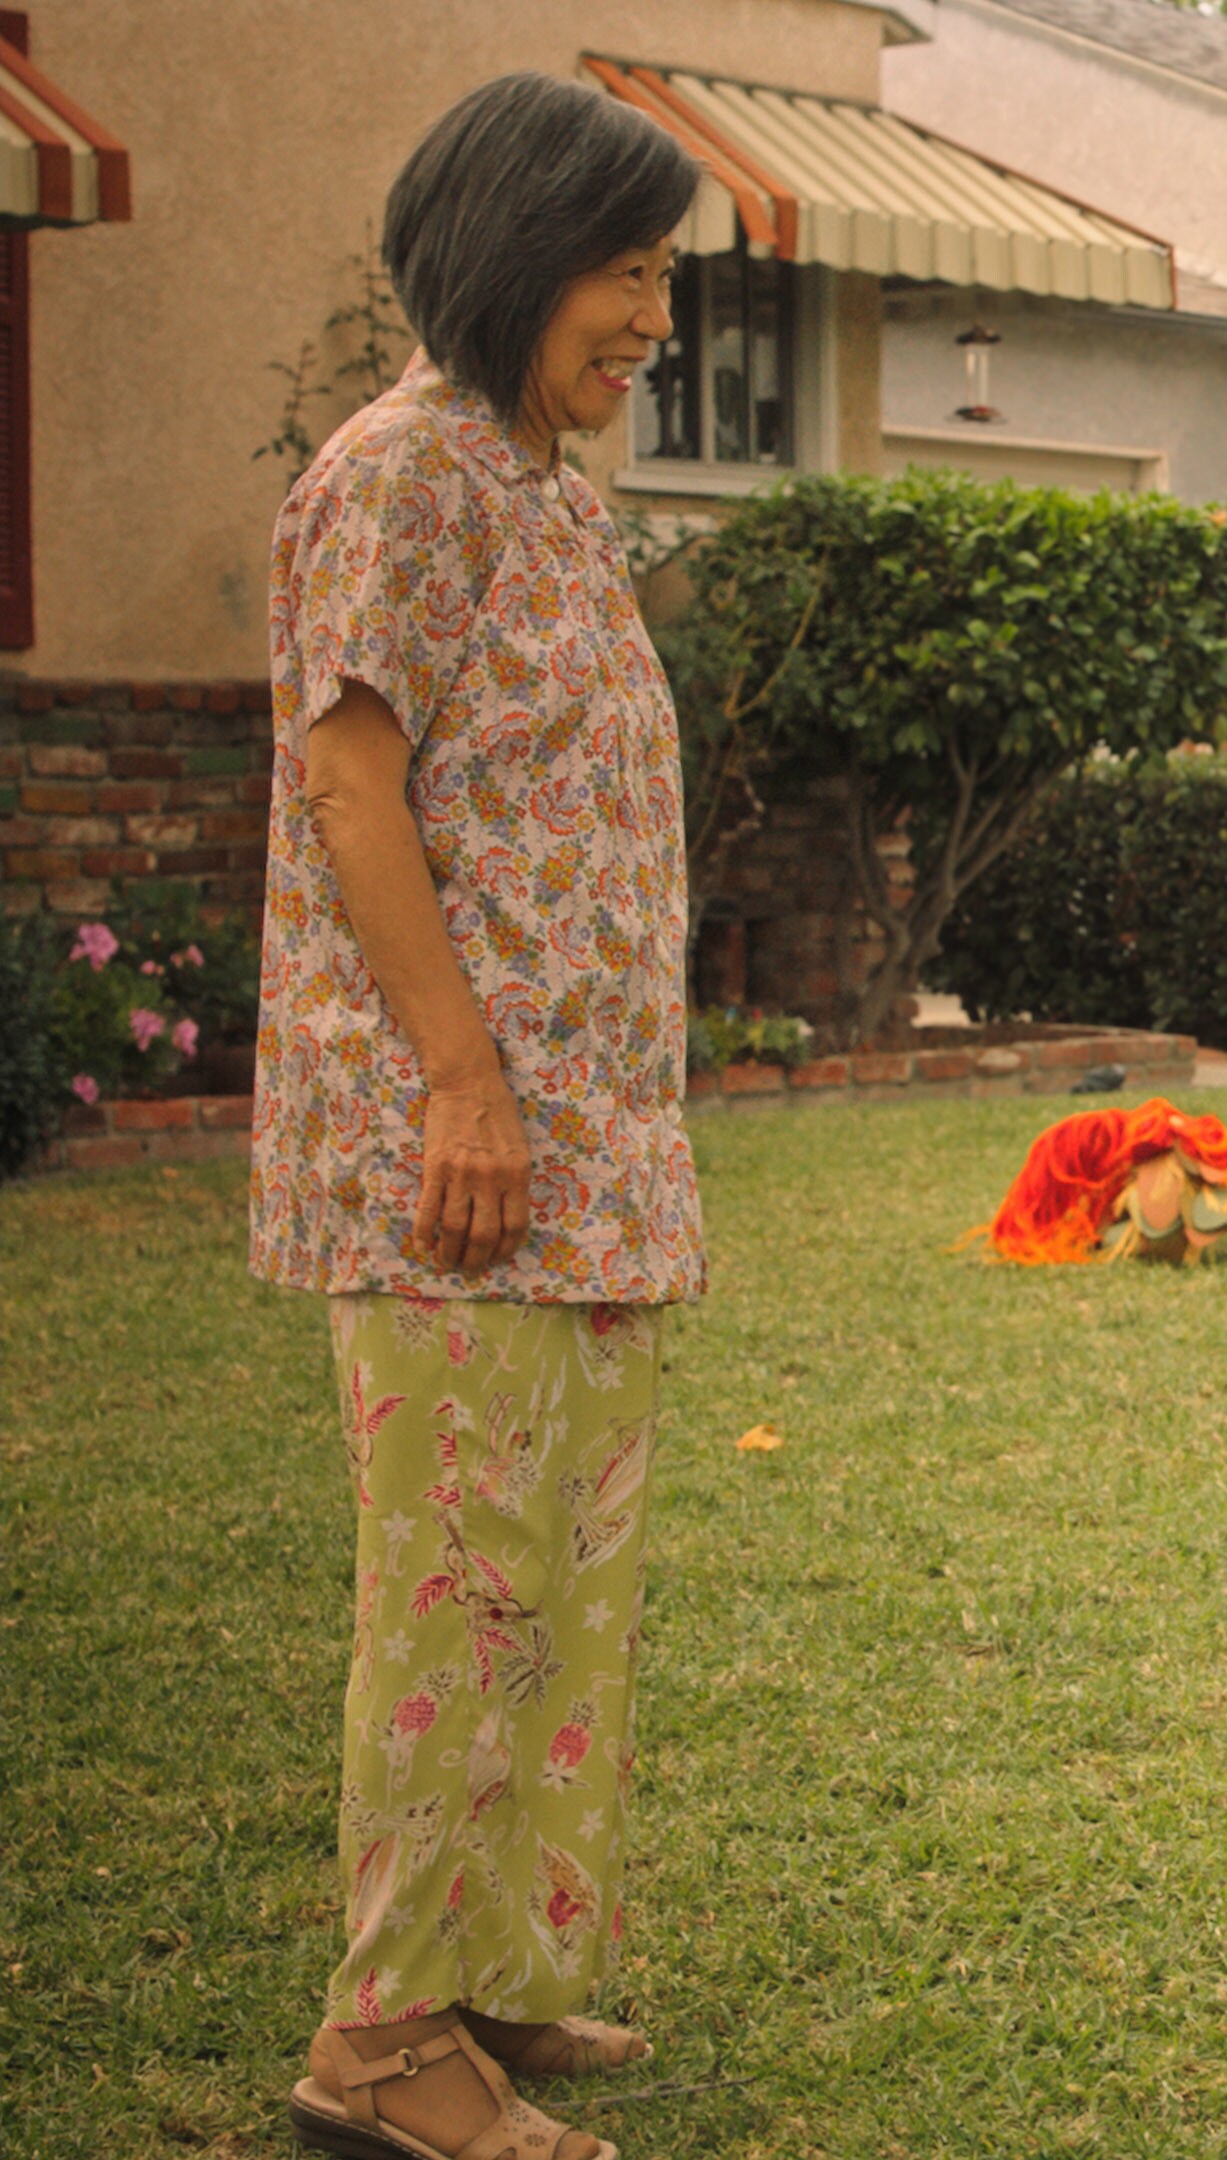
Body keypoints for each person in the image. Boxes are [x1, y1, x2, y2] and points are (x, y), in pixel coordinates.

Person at [252, 73, 704, 2160]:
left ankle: (493, 1981)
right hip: (456, 1152)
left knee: (563, 1579)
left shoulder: (541, 486)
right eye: (628, 274)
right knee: (460, 1595)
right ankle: (381, 2044)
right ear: (518, 249)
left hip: (586, 1156)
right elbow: (354, 784)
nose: (657, 323)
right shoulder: (399, 477)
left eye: (662, 279)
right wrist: (457, 1077)